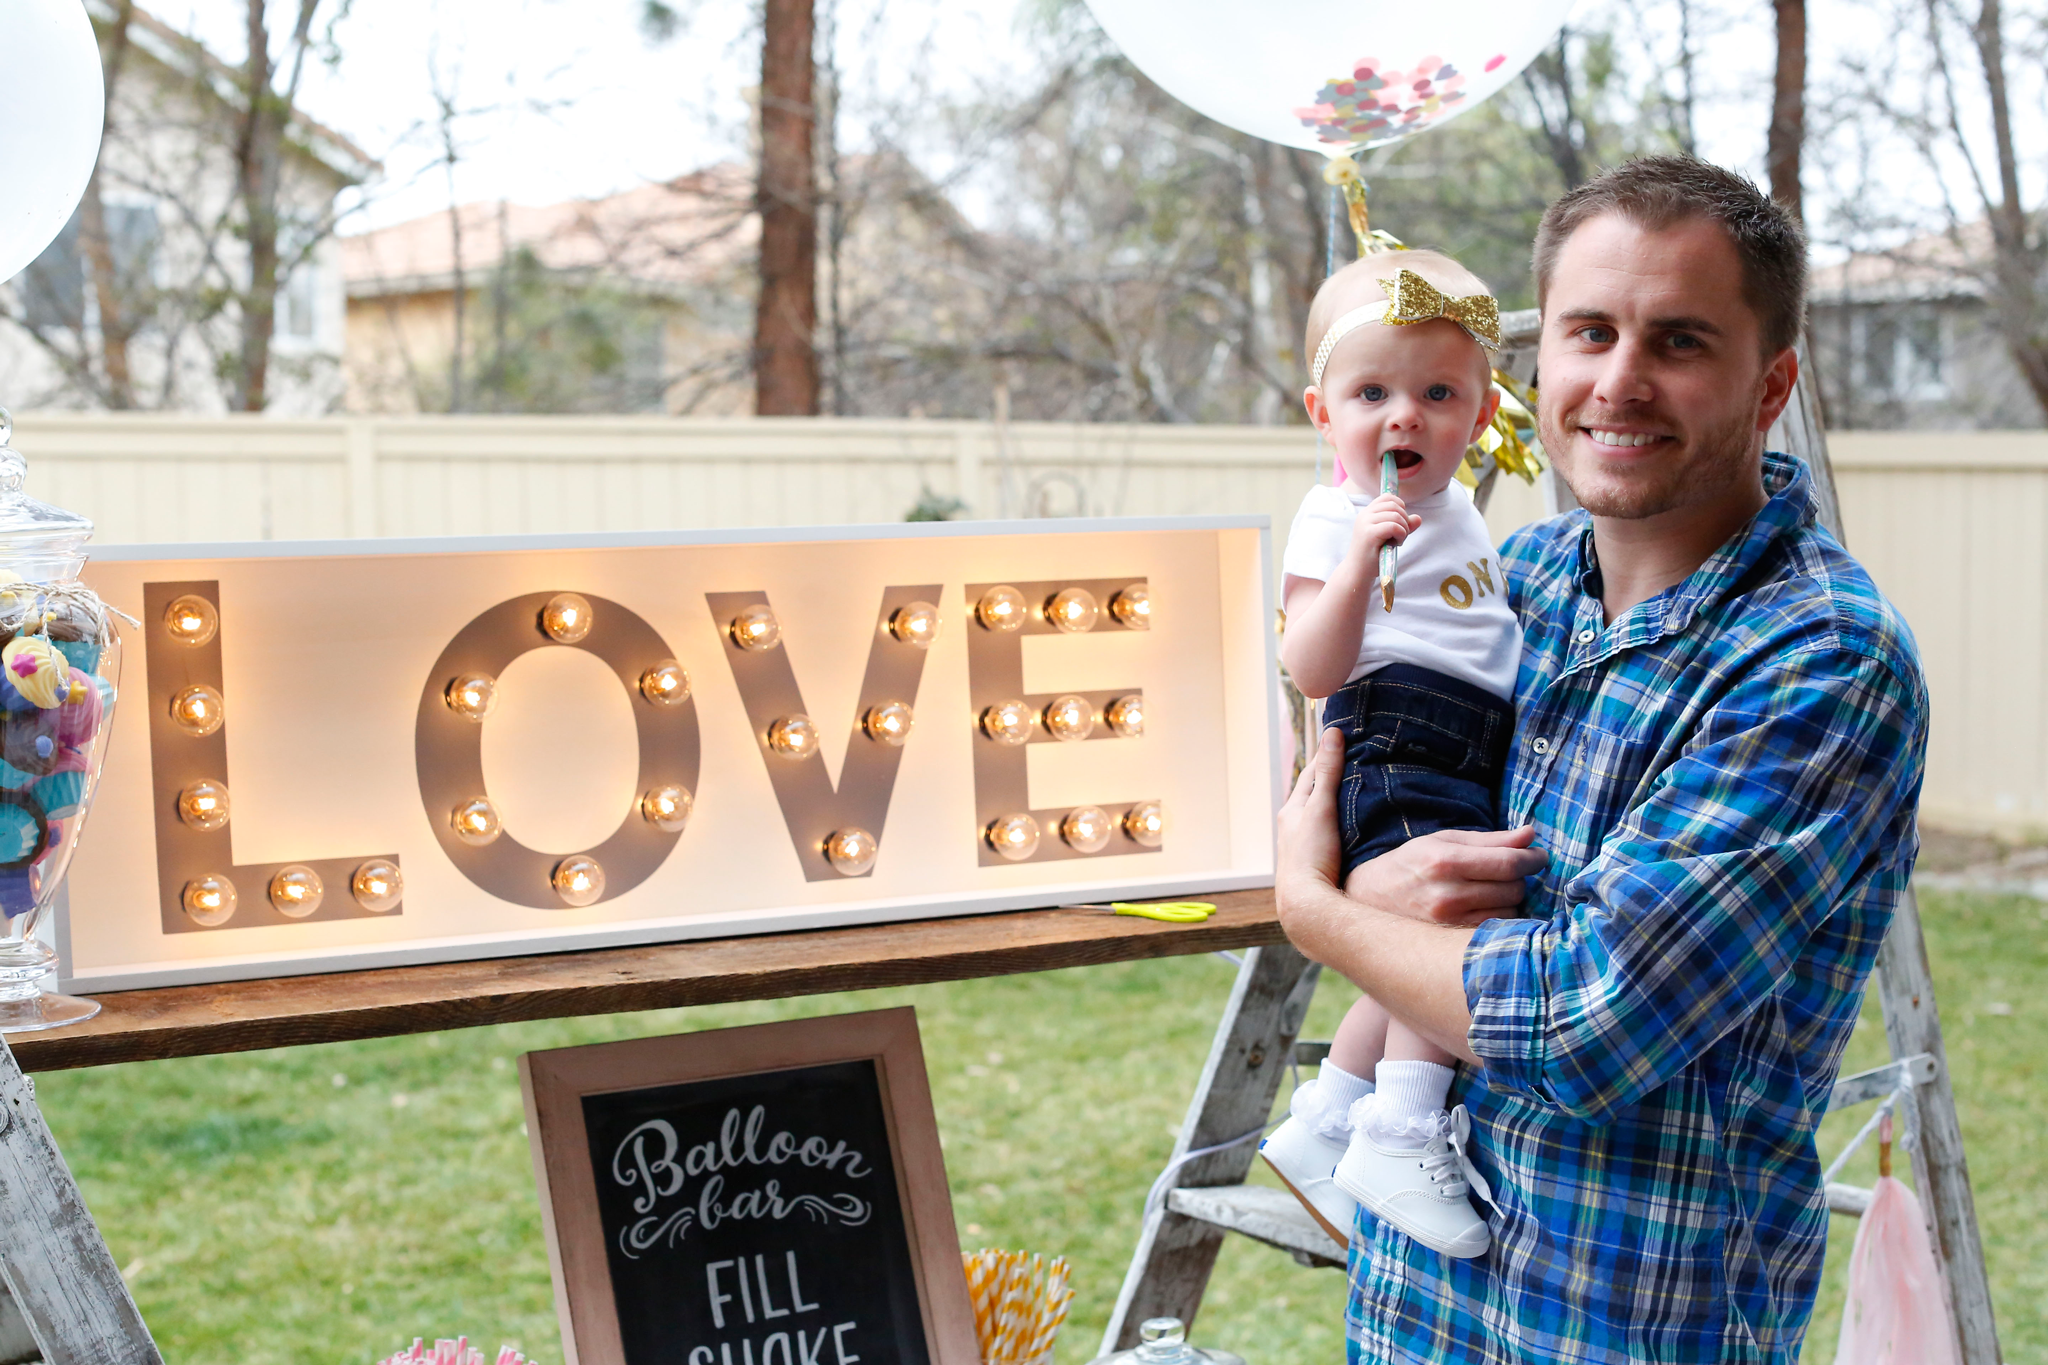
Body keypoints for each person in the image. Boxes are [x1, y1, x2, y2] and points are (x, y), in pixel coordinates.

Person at [1273, 155, 1928, 1365]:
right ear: (1538, 366)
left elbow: (1583, 1022)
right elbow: (1336, 784)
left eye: (1677, 341)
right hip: (1415, 1314)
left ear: (1769, 381)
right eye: (1588, 332)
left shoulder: (1818, 660)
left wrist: (1318, 910)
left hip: (1622, 1325)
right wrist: (1364, 881)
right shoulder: (1507, 584)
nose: (1617, 382)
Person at [1259, 248, 1518, 1261]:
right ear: (1324, 416)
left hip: (1459, 740)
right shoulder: (1334, 516)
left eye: (1434, 393)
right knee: (1453, 939)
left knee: (1411, 952)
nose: (1401, 416)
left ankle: (1326, 1121)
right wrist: (1360, 559)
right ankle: (1401, 1130)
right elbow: (1307, 662)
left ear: (1479, 415)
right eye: (1370, 392)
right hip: (1394, 735)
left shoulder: (1459, 515)